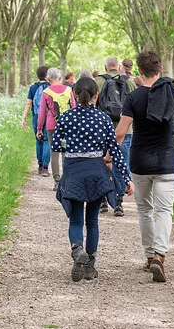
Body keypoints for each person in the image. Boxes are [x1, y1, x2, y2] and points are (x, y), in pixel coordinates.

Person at [115, 50, 174, 283]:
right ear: (160, 69)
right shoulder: (172, 92)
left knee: (144, 210)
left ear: (139, 72)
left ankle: (150, 257)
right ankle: (160, 254)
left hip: (140, 161)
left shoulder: (133, 97)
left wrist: (109, 156)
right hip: (166, 162)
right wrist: (171, 112)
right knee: (164, 210)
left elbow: (121, 132)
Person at [53, 77, 133, 282]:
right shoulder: (104, 118)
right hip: (97, 173)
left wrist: (71, 147)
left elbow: (55, 146)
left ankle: (77, 249)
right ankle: (90, 266)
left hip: (74, 172)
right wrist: (127, 178)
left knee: (77, 219)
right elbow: (115, 151)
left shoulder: (66, 117)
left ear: (74, 95)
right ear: (97, 95)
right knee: (93, 221)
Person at [95, 56, 136, 217]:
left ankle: (103, 199)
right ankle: (118, 202)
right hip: (126, 130)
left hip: (101, 130)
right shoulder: (129, 82)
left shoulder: (97, 82)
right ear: (118, 67)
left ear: (105, 68)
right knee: (122, 164)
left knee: (101, 163)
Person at [36, 68, 76, 187]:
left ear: (48, 79)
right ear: (60, 78)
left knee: (54, 152)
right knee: (66, 152)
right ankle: (66, 180)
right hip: (68, 124)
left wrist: (39, 128)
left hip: (52, 124)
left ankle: (57, 181)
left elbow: (42, 112)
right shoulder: (69, 90)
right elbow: (73, 108)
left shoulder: (46, 92)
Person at [21, 65, 51, 176]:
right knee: (47, 140)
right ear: (47, 75)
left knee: (38, 139)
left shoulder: (33, 88)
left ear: (38, 75)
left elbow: (29, 103)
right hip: (48, 116)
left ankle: (39, 165)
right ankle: (45, 168)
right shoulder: (50, 86)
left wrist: (23, 117)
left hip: (36, 116)